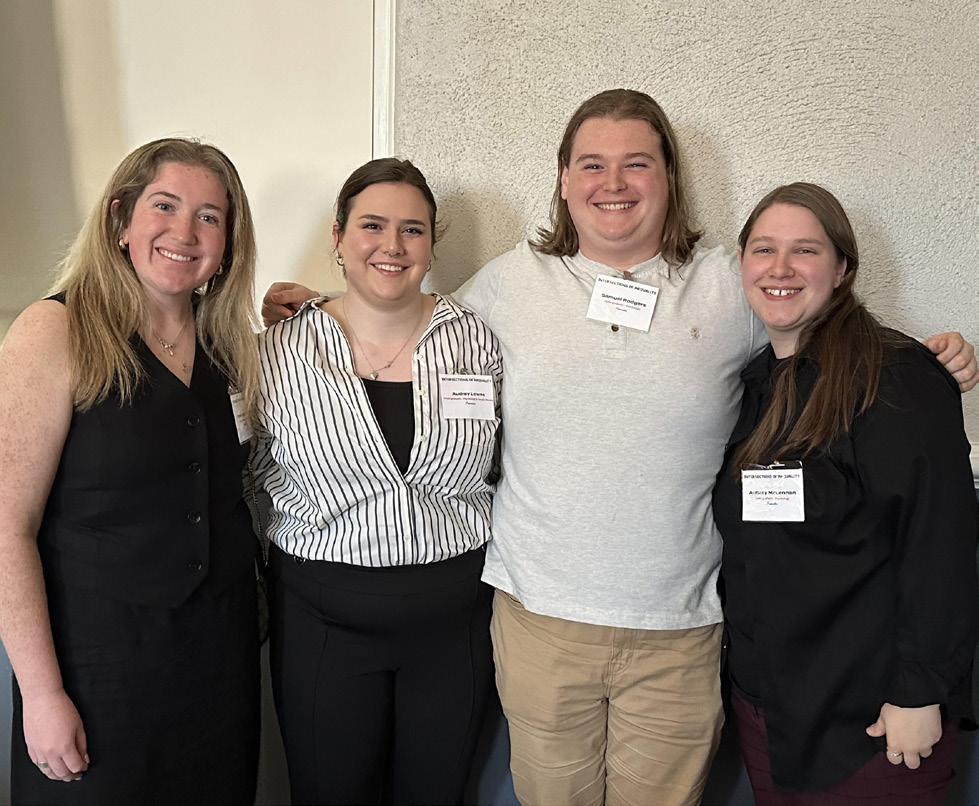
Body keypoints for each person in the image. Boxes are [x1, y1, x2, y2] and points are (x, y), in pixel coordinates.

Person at [261, 90, 977, 806]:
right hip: (539, 623)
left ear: (669, 178)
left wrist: (921, 358)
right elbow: (402, 313)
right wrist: (316, 307)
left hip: (679, 630)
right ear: (563, 179)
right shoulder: (505, 286)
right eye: (591, 164)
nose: (613, 184)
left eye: (636, 164)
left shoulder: (728, 283)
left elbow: (813, 326)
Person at [0, 138, 262, 805]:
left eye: (209, 216)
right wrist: (42, 693)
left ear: (228, 243)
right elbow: (6, 527)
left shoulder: (229, 344)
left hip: (217, 663)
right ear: (120, 218)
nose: (185, 232)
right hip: (96, 671)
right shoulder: (54, 331)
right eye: (165, 206)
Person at [711, 182, 977, 804]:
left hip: (872, 723)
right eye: (763, 249)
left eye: (804, 250)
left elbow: (939, 545)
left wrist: (920, 691)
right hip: (768, 710)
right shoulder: (754, 383)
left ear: (843, 269)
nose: (780, 268)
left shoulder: (894, 376)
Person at [253, 157, 501, 805]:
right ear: (338, 237)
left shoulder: (478, 342)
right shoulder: (277, 352)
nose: (392, 245)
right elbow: (245, 471)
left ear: (431, 245)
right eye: (371, 226)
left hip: (453, 629)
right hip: (321, 626)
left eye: (412, 230)